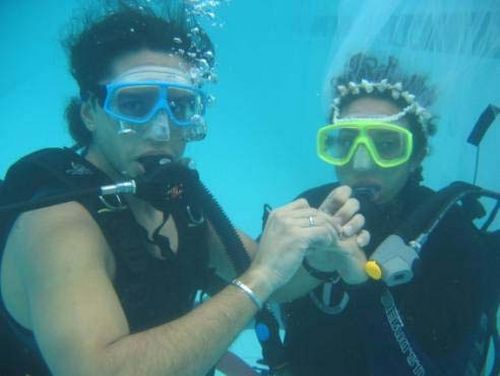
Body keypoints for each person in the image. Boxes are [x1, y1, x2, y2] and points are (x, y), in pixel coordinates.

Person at [0, 2, 366, 375]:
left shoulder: (175, 199)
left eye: (179, 105)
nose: (162, 130)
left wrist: (318, 259)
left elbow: (265, 276)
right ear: (90, 112)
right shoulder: (57, 226)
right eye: (135, 104)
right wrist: (263, 275)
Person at [275, 53, 494, 376]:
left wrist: (361, 283)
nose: (362, 163)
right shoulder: (307, 207)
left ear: (417, 155)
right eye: (345, 143)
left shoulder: (450, 236)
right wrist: (309, 267)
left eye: (388, 145)